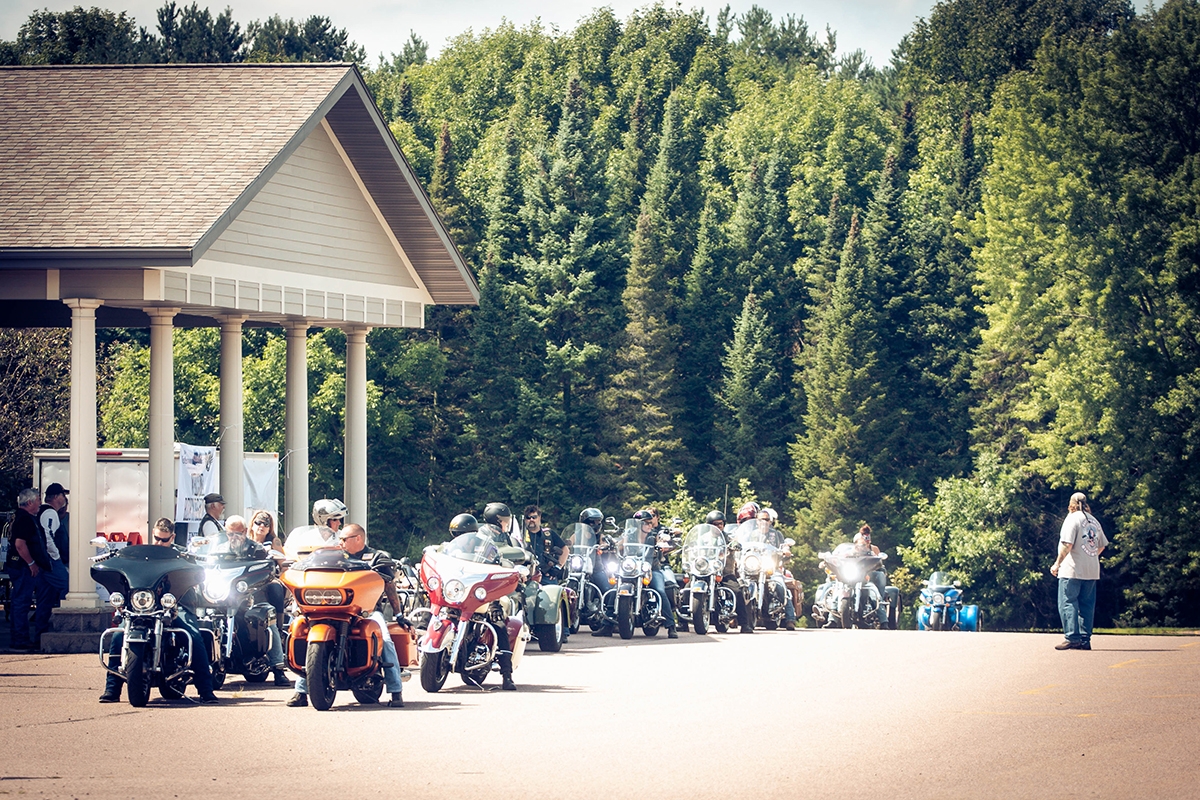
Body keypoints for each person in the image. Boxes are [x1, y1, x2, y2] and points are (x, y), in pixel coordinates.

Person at [287, 523, 409, 707]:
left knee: (385, 638)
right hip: (328, 608)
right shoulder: (334, 557)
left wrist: (398, 615)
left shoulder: (376, 557)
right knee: (304, 635)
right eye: (340, 539)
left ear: (358, 538)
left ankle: (395, 691)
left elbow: (389, 586)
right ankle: (301, 691)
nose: (341, 542)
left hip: (366, 611)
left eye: (344, 539)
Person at [100, 518, 219, 703]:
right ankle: (112, 689)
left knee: (193, 636)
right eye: (156, 538)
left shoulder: (181, 555)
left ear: (172, 537)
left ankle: (206, 690)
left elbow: (195, 570)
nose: (159, 543)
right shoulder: (140, 554)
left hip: (176, 604)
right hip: (143, 605)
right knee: (118, 636)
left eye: (164, 540)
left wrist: (195, 563)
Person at [219, 516, 291, 686]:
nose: (234, 537)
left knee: (268, 621)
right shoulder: (220, 550)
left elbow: (268, 568)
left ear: (245, 532)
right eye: (230, 534)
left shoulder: (257, 550)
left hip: (252, 596)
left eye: (238, 533)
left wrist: (266, 571)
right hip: (224, 596)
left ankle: (278, 670)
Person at [1050, 492, 1108, 651]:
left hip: (1072, 570)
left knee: (1068, 601)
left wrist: (1057, 564)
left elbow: (1067, 544)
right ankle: (1084, 639)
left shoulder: (1072, 519)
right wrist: (1089, 556)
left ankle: (1072, 637)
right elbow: (1102, 546)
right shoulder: (1094, 521)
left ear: (1071, 504)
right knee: (1087, 605)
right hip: (1091, 570)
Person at [5, 489, 43, 650]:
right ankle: (20, 639)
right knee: (21, 602)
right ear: (29, 503)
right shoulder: (25, 520)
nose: (40, 504)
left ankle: (18, 637)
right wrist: (31, 563)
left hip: (16, 565)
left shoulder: (18, 517)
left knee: (19, 602)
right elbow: (20, 544)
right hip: (21, 567)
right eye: (38, 500)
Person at [634, 508, 679, 639]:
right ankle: (607, 624)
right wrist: (610, 545)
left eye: (649, 522)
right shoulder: (630, 535)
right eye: (645, 523)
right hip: (633, 569)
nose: (648, 525)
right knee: (616, 587)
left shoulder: (654, 535)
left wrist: (664, 543)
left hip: (652, 569)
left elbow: (662, 541)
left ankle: (671, 626)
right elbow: (619, 543)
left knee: (660, 591)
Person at [523, 505, 567, 584]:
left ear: (539, 517)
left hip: (547, 576)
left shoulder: (549, 534)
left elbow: (565, 550)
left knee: (553, 595)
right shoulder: (520, 535)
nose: (531, 520)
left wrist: (558, 567)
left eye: (534, 517)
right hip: (526, 577)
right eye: (528, 517)